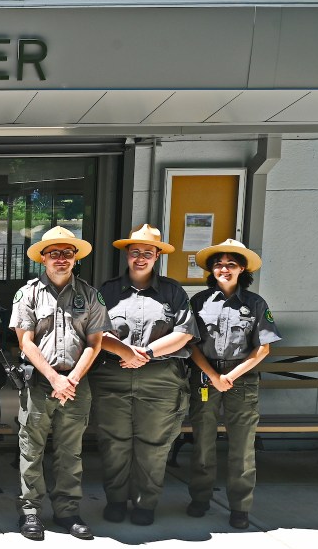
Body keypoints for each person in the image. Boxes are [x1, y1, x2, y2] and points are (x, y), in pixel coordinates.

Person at [90, 224, 198, 526]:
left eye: (147, 253)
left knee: (154, 444)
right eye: (135, 252)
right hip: (113, 375)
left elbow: (184, 333)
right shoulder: (107, 290)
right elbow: (96, 330)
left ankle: (145, 503)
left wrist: (145, 354)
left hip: (160, 378)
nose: (141, 258)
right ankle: (115, 500)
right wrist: (126, 353)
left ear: (157, 256)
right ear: (127, 255)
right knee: (114, 442)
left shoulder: (173, 291)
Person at [10, 226, 110, 541]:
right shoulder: (28, 294)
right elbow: (25, 341)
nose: (61, 259)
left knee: (71, 451)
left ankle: (68, 511)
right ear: (43, 258)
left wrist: (72, 379)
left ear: (75, 258)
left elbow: (95, 342)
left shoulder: (90, 295)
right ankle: (30, 513)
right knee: (32, 450)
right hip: (41, 382)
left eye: (67, 253)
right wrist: (54, 378)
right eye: (55, 253)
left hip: (76, 384)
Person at [187, 238, 280, 530]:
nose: (223, 268)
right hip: (205, 376)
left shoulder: (255, 303)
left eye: (230, 264)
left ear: (242, 269)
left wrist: (232, 375)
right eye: (218, 263)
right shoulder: (199, 302)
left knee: (242, 447)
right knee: (202, 442)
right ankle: (200, 498)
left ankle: (240, 507)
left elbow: (262, 349)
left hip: (241, 381)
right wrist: (215, 376)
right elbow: (191, 346)